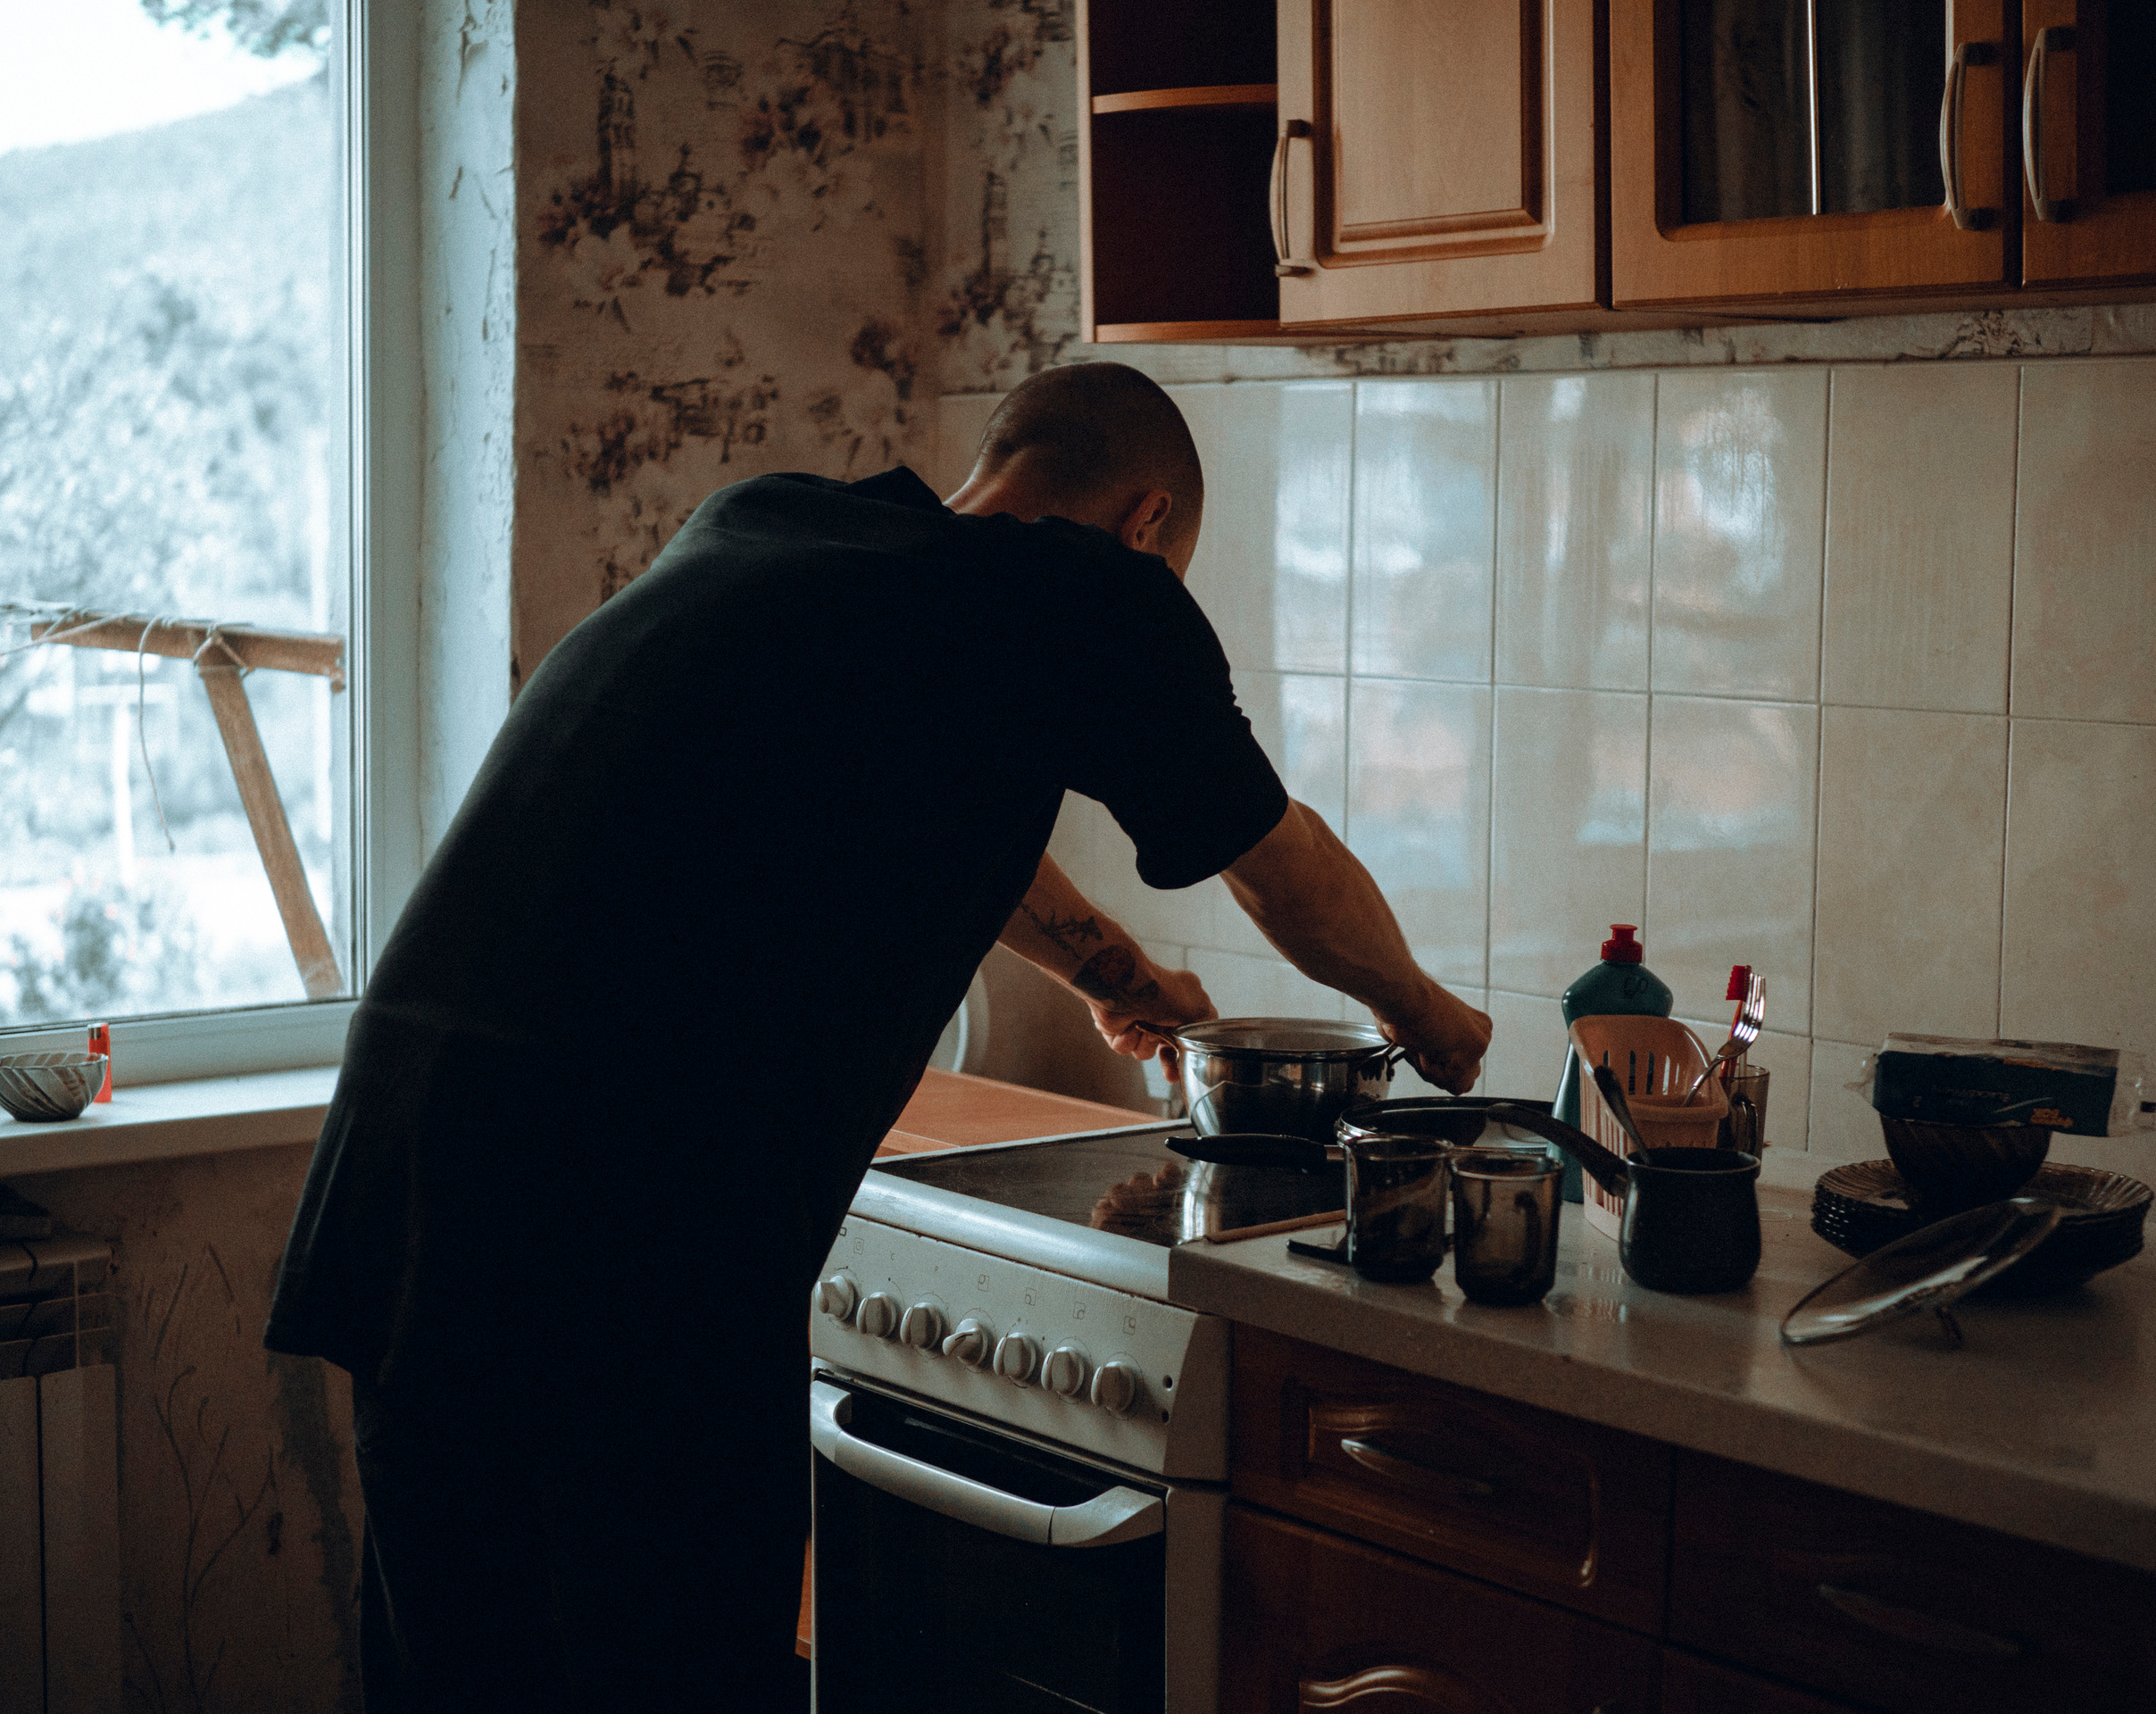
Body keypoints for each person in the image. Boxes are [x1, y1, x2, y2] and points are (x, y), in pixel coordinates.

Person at [265, 361, 1492, 1711]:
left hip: (411, 1177)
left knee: (462, 1677)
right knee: (667, 1672)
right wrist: (1425, 1017)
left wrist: (1115, 971)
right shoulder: (1089, 596)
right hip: (625, 1227)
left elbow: (938, 798)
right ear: (1146, 525)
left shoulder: (774, 526)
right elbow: (1279, 865)